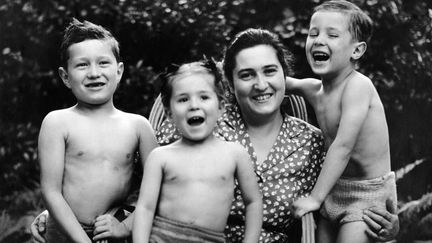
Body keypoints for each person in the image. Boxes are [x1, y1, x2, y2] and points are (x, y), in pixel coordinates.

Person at [31, 27, 400, 243]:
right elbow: (129, 179)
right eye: (246, 74)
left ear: (284, 79)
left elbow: (343, 200)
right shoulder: (202, 126)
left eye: (269, 71)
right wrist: (59, 219)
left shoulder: (310, 142)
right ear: (229, 84)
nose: (260, 84)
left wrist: (385, 221)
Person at [37, 18, 158, 243]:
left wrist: (126, 226)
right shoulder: (57, 122)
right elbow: (51, 192)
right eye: (82, 65)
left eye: (103, 63)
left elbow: (159, 187)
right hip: (65, 231)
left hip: (113, 228)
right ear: (65, 76)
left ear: (119, 71)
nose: (94, 73)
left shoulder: (138, 126)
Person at [288, 1, 397, 243]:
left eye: (332, 34)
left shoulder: (358, 86)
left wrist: (315, 199)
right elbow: (276, 81)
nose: (318, 39)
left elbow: (343, 146)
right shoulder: (314, 89)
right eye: (313, 33)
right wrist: (229, 70)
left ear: (356, 51)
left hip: (367, 197)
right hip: (335, 189)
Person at [132, 60, 263, 243]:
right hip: (163, 237)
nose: (194, 105)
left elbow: (253, 202)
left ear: (221, 107)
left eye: (204, 97)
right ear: (169, 113)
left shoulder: (235, 154)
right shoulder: (161, 157)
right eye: (183, 99)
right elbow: (145, 208)